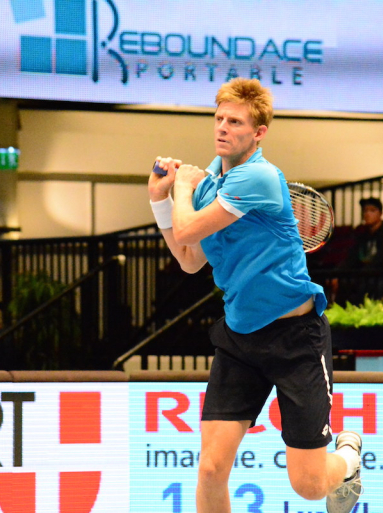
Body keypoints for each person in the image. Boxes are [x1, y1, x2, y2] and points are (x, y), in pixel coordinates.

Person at [148, 78, 362, 513]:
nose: (222, 127)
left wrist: (181, 189)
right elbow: (188, 258)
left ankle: (350, 457)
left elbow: (186, 229)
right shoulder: (209, 186)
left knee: (309, 486)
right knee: (211, 470)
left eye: (235, 122)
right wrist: (159, 201)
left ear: (259, 132)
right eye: (219, 118)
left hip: (295, 340)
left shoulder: (259, 177)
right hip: (240, 339)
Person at [340, 197, 383, 269]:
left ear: (380, 213)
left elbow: (381, 258)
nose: (368, 214)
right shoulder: (363, 233)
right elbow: (353, 257)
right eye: (365, 211)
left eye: (372, 210)